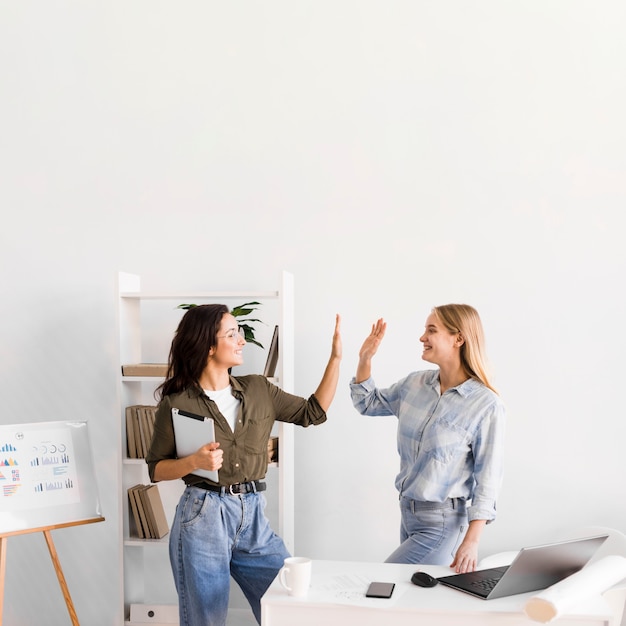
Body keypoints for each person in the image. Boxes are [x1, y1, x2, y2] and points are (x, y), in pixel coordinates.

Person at [146, 304, 342, 626]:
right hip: (203, 516)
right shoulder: (177, 402)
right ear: (209, 346)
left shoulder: (259, 389)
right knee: (205, 620)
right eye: (232, 334)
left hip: (253, 516)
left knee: (290, 606)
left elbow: (312, 412)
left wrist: (335, 358)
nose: (242, 341)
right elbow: (156, 468)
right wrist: (194, 461)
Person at [350, 304, 505, 574]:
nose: (422, 337)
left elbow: (488, 480)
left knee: (383, 581)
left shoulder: (486, 405)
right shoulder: (415, 384)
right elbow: (368, 403)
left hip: (442, 523)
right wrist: (365, 359)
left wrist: (471, 541)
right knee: (409, 599)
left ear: (458, 339)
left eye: (431, 330)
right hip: (408, 514)